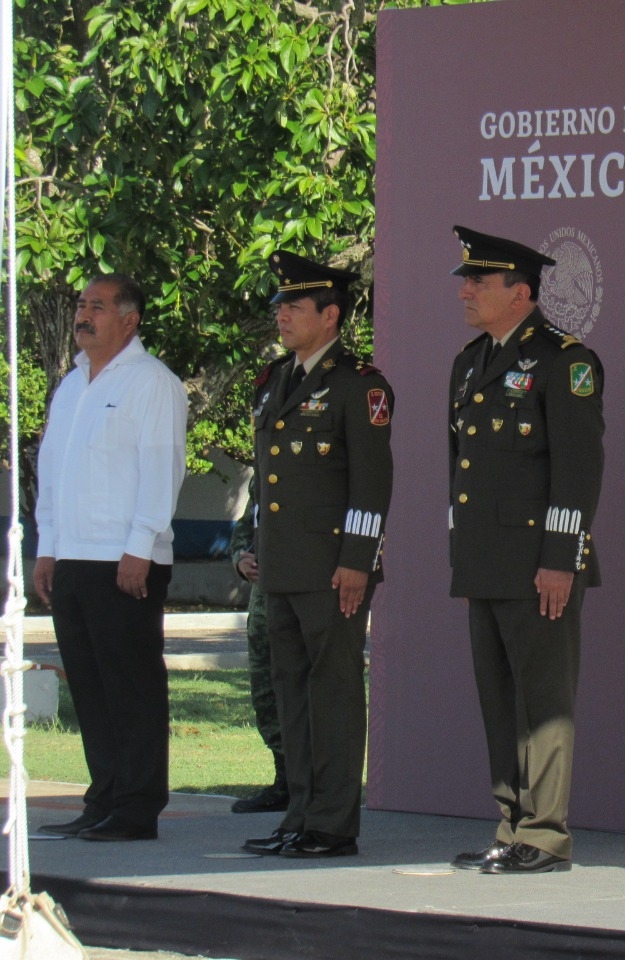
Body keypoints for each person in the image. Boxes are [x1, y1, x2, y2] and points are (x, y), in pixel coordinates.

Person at [446, 226, 605, 875]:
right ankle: (510, 824)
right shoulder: (469, 361)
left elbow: (577, 469)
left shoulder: (564, 361)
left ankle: (544, 835)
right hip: (484, 561)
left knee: (543, 702)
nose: (466, 292)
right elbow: (458, 466)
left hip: (539, 564)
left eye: (479, 282)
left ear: (520, 291)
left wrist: (561, 558)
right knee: (499, 700)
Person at [240, 252, 394, 859]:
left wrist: (357, 559)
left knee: (330, 695)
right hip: (281, 569)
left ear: (330, 315)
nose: (281, 313)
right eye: (280, 304)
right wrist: (255, 548)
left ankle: (331, 823)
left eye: (294, 305)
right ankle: (299, 814)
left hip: (332, 571)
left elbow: (372, 482)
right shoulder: (277, 379)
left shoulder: (361, 384)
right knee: (292, 693)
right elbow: (269, 480)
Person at [33, 273, 187, 842]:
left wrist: (139, 546)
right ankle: (103, 797)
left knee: (131, 685)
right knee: (91, 687)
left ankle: (136, 806)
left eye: (96, 306)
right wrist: (48, 548)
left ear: (129, 319)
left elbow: (161, 471)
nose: (83, 315)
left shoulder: (152, 382)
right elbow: (51, 473)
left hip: (125, 559)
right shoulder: (72, 385)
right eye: (80, 305)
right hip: (73, 557)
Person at [227, 480, 288, 813]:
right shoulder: (261, 473)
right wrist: (241, 559)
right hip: (262, 597)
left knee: (294, 687)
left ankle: (305, 782)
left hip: (296, 587)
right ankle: (284, 778)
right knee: (264, 690)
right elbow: (245, 526)